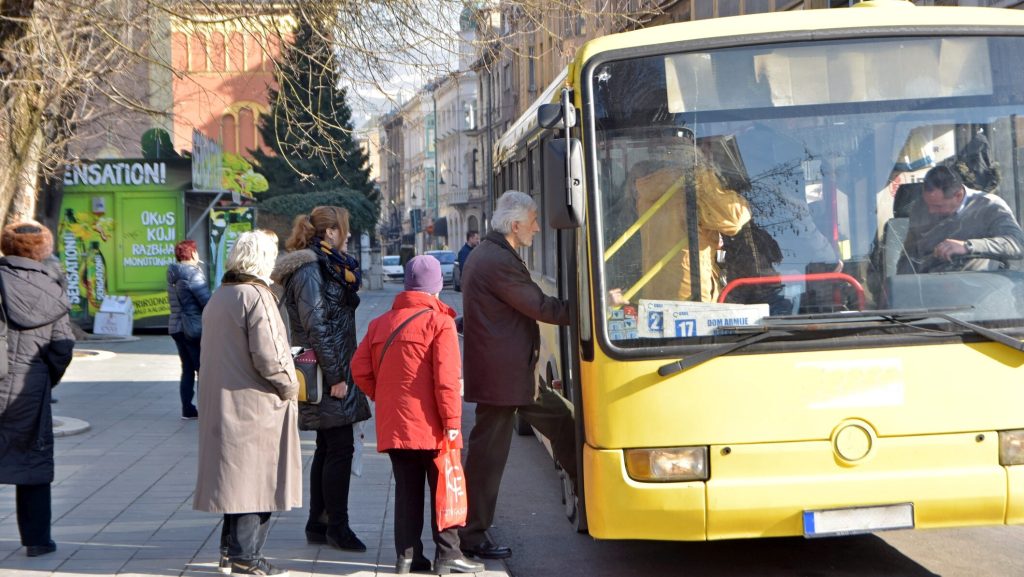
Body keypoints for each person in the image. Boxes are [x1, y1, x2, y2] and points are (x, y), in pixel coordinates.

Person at [458, 190, 575, 560]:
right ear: (514, 225)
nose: (537, 228)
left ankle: (589, 492)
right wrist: (591, 308)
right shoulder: (496, 260)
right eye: (533, 221)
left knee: (561, 421)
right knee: (486, 459)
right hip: (503, 379)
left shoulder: (492, 253)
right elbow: (538, 305)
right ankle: (471, 534)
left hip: (510, 375)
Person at [351, 256, 485, 575]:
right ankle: (448, 556)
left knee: (406, 490)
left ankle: (407, 557)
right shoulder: (440, 323)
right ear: (437, 287)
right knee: (445, 486)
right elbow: (447, 381)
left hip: (395, 423)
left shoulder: (379, 323)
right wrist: (453, 424)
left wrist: (381, 395)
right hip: (432, 425)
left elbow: (359, 369)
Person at [193, 230, 300, 577]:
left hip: (224, 402)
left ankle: (229, 551)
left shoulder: (221, 295)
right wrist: (289, 386)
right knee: (258, 484)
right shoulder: (257, 296)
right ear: (262, 259)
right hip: (255, 407)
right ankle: (246, 558)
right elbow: (269, 356)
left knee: (234, 481)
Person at [270, 206, 371, 552]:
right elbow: (317, 325)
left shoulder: (324, 265)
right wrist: (337, 376)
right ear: (330, 233)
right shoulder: (312, 269)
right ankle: (337, 527)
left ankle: (318, 522)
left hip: (330, 367)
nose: (348, 234)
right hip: (326, 371)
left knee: (328, 446)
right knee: (339, 448)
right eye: (344, 228)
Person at [0, 221, 75, 558]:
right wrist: (45, 379)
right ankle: (37, 541)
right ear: (43, 248)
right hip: (31, 390)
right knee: (33, 464)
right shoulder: (54, 291)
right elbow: (62, 348)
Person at [898, 164, 1024, 274]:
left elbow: (1017, 244)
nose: (930, 211)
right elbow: (909, 255)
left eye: (938, 206)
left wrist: (968, 246)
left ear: (958, 195)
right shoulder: (919, 209)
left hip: (979, 288)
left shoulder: (989, 206)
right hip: (931, 286)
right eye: (928, 204)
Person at [166, 239, 210, 420]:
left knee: (187, 369)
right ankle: (206, 408)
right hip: (194, 329)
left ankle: (187, 409)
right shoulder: (193, 274)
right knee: (202, 369)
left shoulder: (173, 273)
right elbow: (207, 302)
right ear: (192, 254)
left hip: (176, 327)